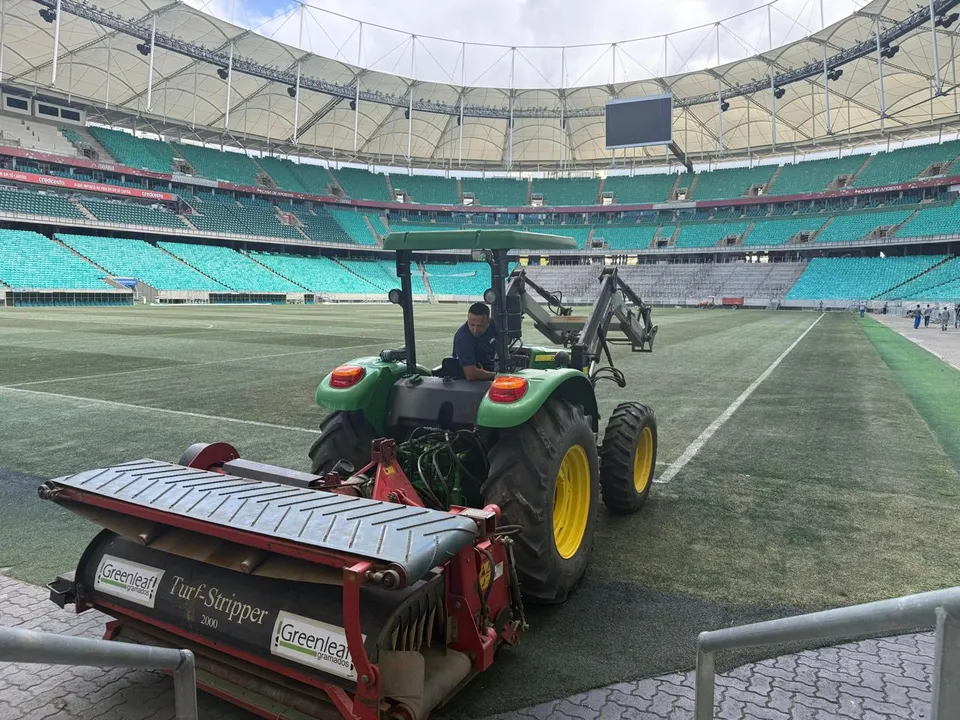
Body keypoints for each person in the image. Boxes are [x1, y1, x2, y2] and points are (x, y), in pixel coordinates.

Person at [453, 302, 498, 381]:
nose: (475, 330)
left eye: (479, 326)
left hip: (490, 369)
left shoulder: (493, 325)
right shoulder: (463, 338)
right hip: (473, 381)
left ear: (488, 322)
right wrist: (499, 376)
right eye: (472, 324)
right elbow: (471, 374)